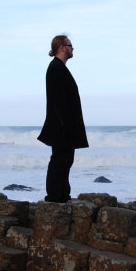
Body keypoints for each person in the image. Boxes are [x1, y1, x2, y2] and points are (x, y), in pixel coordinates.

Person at [38, 35, 89, 203]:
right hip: (61, 125)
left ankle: (62, 194)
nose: (72, 48)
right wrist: (65, 124)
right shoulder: (55, 68)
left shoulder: (59, 67)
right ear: (61, 47)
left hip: (65, 124)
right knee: (60, 160)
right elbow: (58, 100)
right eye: (70, 45)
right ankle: (54, 197)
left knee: (66, 160)